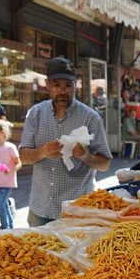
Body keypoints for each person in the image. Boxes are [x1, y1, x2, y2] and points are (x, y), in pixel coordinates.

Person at [18, 56, 112, 227]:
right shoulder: (36, 114)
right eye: (56, 85)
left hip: (77, 210)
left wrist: (85, 155)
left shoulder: (90, 118)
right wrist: (42, 152)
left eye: (68, 85)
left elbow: (105, 164)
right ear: (47, 85)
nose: (62, 91)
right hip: (40, 208)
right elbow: (23, 157)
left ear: (76, 85)